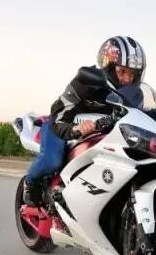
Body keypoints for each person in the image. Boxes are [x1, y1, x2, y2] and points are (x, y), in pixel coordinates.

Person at [23, 36, 147, 206]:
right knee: (52, 161)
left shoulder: (135, 95)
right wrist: (76, 129)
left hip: (102, 136)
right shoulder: (85, 82)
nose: (127, 79)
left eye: (132, 73)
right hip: (61, 126)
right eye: (122, 71)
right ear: (108, 67)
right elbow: (59, 115)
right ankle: (30, 182)